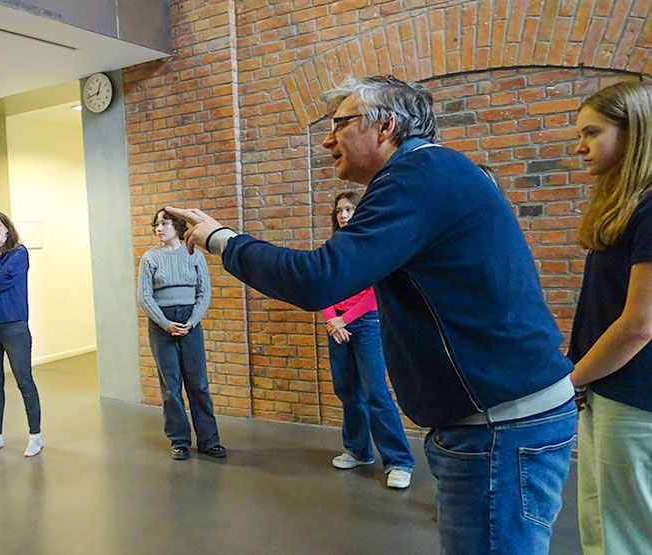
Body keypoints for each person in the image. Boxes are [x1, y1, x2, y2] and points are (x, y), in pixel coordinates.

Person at [167, 75, 576, 554]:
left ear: (385, 127)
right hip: (497, 416)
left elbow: (319, 278)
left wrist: (224, 240)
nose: (327, 140)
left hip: (499, 423)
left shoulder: (416, 176)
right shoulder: (429, 171)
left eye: (339, 124)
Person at [567, 81, 652, 554]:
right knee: (599, 524)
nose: (580, 146)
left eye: (592, 133)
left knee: (629, 534)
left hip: (636, 398)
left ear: (634, 132)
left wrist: (570, 380)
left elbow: (640, 324)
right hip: (605, 388)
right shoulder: (625, 208)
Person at [322, 191, 415, 489]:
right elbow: (325, 285)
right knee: (347, 390)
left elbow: (377, 291)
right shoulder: (334, 247)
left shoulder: (373, 244)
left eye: (350, 209)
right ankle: (358, 451)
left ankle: (399, 461)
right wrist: (332, 320)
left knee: (375, 391)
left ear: (361, 211)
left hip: (366, 324)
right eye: (340, 211)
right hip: (336, 324)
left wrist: (345, 320)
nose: (344, 215)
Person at [137, 208, 225, 460]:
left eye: (164, 223)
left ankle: (209, 440)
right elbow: (145, 297)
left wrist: (192, 321)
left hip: (190, 323)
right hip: (162, 325)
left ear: (177, 226)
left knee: (198, 384)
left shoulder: (194, 255)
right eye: (156, 224)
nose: (159, 228)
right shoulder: (150, 258)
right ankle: (179, 441)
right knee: (171, 386)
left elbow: (204, 293)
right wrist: (166, 323)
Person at [0, 211, 42, 457]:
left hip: (13, 327)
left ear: (7, 228)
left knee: (24, 381)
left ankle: (35, 437)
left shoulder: (19, 254)